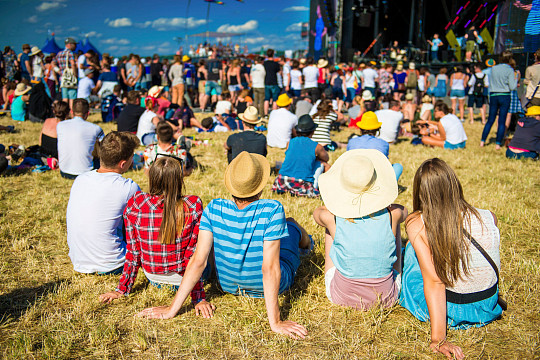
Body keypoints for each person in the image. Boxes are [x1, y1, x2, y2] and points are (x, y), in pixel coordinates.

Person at [137, 151, 311, 339]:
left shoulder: (213, 208)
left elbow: (198, 261)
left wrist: (173, 308)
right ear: (260, 186)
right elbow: (270, 268)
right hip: (272, 284)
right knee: (291, 226)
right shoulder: (272, 209)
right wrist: (275, 322)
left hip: (227, 284)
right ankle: (307, 244)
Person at [400, 158, 504, 360]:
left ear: (421, 192)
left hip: (454, 310)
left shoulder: (417, 222)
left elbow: (435, 281)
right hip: (488, 305)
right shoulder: (489, 216)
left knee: (413, 249)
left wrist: (438, 339)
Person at [98, 155, 210, 309]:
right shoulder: (192, 205)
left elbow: (133, 252)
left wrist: (122, 290)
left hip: (153, 277)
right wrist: (198, 297)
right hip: (184, 280)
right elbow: (193, 255)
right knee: (208, 244)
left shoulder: (136, 205)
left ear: (152, 178)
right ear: (179, 180)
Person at [314, 149, 406, 310]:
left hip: (341, 295)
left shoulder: (333, 217)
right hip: (387, 296)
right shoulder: (393, 214)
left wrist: (334, 206)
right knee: (394, 222)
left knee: (330, 226)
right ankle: (395, 270)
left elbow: (317, 214)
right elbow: (403, 211)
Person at [66, 131, 141, 274]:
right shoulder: (128, 187)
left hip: (79, 261)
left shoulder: (80, 179)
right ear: (123, 163)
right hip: (114, 263)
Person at [272, 115, 329, 197]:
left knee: (281, 163)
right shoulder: (317, 146)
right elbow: (326, 158)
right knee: (324, 164)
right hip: (302, 185)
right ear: (313, 131)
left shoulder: (290, 143)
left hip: (281, 182)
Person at [346, 112, 404, 180]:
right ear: (377, 130)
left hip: (353, 178)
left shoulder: (352, 142)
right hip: (376, 180)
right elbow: (384, 165)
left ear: (361, 129)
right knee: (398, 166)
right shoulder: (384, 143)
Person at [57, 98, 104, 179]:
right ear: (87, 113)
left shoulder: (60, 125)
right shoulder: (96, 128)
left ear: (71, 112)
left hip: (64, 172)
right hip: (86, 172)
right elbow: (105, 147)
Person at [481, 51, 518, 149]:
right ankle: (498, 143)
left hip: (493, 95)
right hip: (504, 95)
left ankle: (482, 141)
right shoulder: (510, 70)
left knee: (490, 120)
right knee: (502, 120)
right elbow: (512, 87)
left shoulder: (493, 68)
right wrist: (516, 78)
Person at [56, 38, 78, 109]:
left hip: (63, 79)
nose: (75, 46)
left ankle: (63, 113)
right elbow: (73, 64)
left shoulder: (59, 53)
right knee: (72, 98)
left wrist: (59, 71)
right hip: (70, 79)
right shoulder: (70, 53)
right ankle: (72, 114)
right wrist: (75, 75)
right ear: (70, 45)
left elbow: (53, 63)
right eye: (74, 45)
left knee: (64, 98)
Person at [264, 49, 281, 116]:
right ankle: (274, 114)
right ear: (273, 54)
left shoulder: (265, 64)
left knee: (267, 99)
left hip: (267, 82)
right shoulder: (276, 64)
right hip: (274, 82)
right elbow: (279, 72)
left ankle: (265, 114)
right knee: (275, 99)